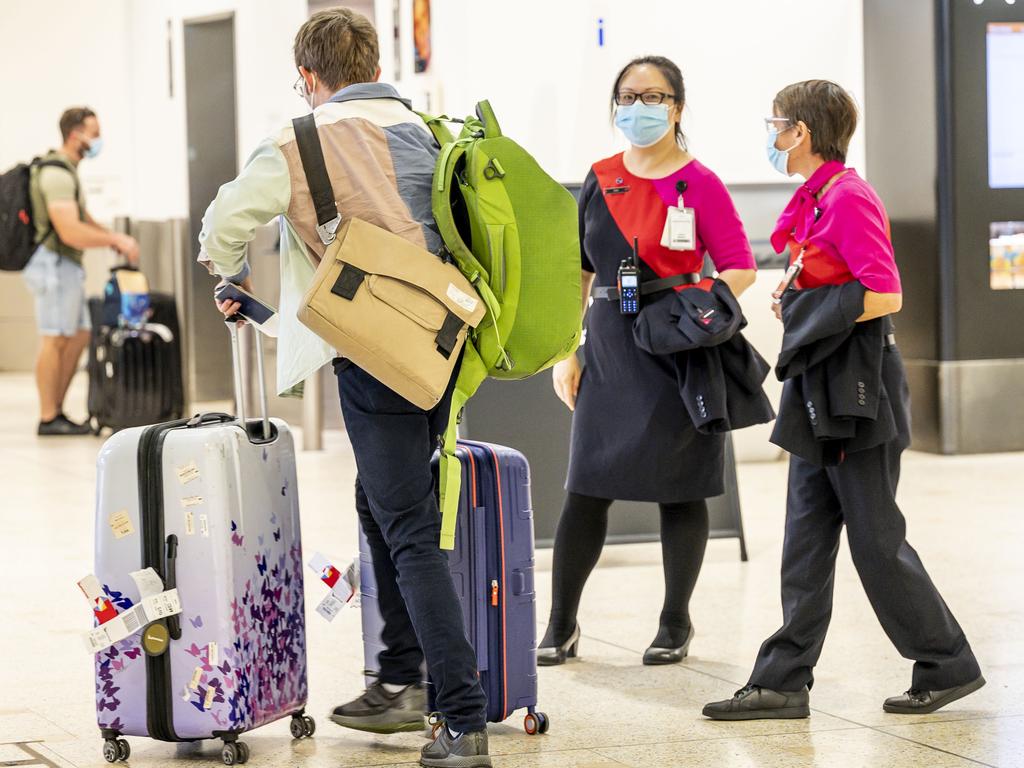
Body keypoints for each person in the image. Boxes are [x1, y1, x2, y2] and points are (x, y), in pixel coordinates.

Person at [198, 9, 490, 767]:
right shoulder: (428, 129)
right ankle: (398, 677)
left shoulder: (301, 140)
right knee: (383, 501)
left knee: (408, 528)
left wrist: (229, 272)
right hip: (442, 344)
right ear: (373, 59)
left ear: (308, 75)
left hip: (373, 349)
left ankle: (456, 714)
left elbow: (223, 221)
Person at [703, 80, 984, 721]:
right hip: (816, 384)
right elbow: (831, 277)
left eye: (776, 123)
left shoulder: (850, 198)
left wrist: (809, 310)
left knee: (875, 539)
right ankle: (782, 680)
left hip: (857, 389)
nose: (771, 135)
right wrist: (797, 299)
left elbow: (886, 295)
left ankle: (946, 662)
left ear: (799, 132)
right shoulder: (815, 197)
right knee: (804, 537)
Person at [538, 56, 758, 667]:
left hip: (678, 350)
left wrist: (693, 311)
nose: (639, 107)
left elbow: (739, 265)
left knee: (681, 490)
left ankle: (675, 623)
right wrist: (567, 349)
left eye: (653, 96)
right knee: (585, 485)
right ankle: (560, 625)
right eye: (628, 96)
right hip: (608, 347)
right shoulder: (600, 175)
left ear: (677, 107)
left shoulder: (701, 183)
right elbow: (581, 272)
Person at [24, 107, 139, 436]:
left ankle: (57, 410)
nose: (99, 140)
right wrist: (113, 238)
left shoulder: (67, 171)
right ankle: (48, 417)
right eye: (95, 132)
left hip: (65, 266)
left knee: (77, 335)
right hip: (53, 265)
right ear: (76, 134)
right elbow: (69, 231)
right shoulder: (57, 175)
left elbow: (82, 217)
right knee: (55, 339)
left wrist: (110, 237)